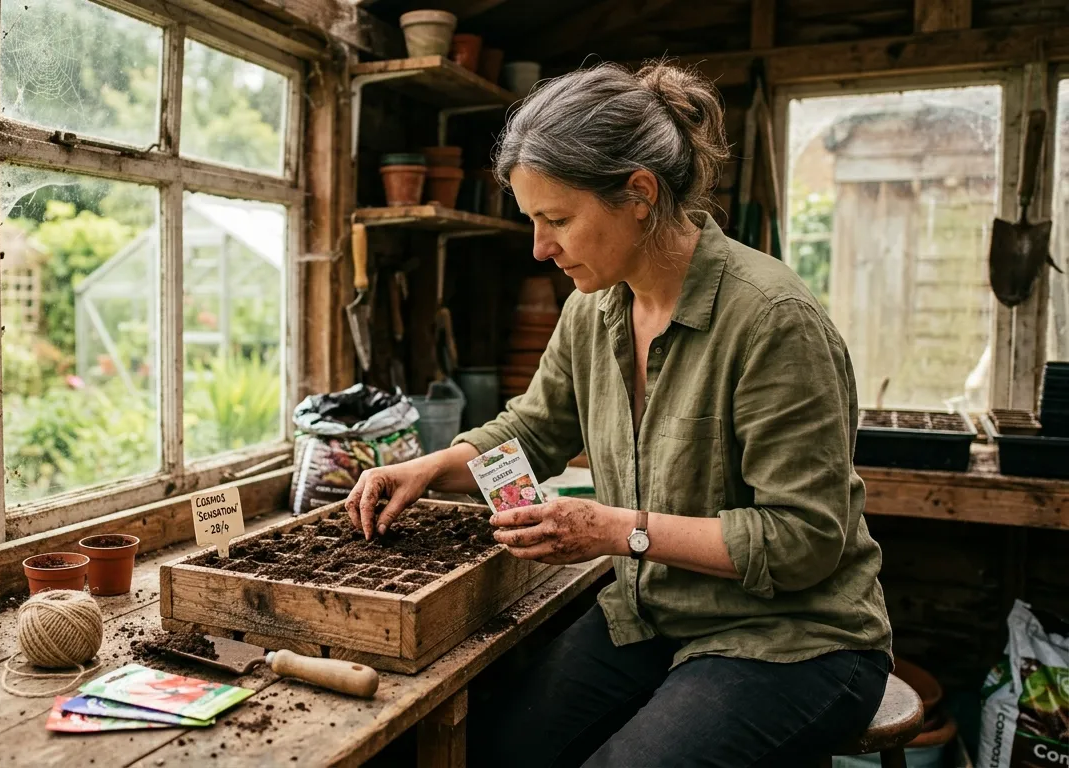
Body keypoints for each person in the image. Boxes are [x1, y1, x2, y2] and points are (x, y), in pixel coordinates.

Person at [343, 61, 893, 768]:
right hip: (655, 613)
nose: (541, 248)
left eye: (557, 220)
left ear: (639, 193)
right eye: (534, 222)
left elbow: (803, 539)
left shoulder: (772, 320)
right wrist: (430, 466)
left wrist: (612, 530)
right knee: (486, 750)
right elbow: (534, 430)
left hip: (793, 639)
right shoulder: (594, 308)